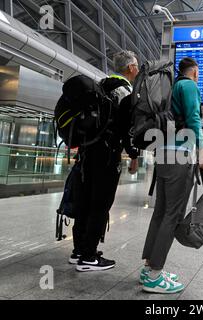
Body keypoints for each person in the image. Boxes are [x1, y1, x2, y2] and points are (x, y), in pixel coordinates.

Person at [141, 57, 203, 294]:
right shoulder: (189, 85)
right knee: (172, 214)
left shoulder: (172, 87)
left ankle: (149, 266)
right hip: (179, 154)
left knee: (161, 212)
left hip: (163, 154)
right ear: (195, 72)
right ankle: (155, 274)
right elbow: (194, 119)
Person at [71, 51, 140, 272]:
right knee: (100, 204)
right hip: (107, 155)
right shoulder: (125, 91)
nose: (137, 70)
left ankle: (79, 250)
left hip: (86, 152)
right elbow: (125, 127)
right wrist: (134, 155)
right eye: (136, 66)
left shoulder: (99, 84)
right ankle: (89, 257)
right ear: (130, 68)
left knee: (85, 201)